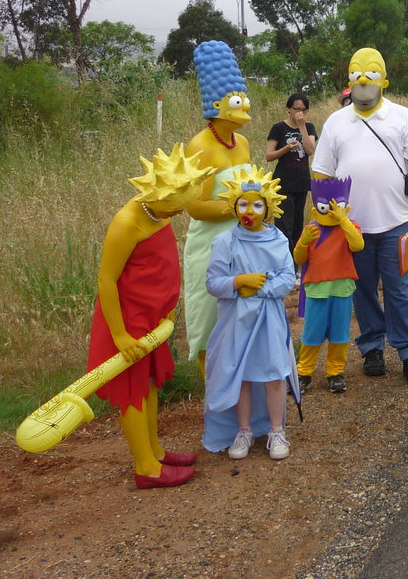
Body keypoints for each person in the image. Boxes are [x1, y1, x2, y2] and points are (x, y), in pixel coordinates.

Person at [87, 144, 213, 488]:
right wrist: (121, 336)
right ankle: (146, 468)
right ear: (161, 196)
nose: (181, 212)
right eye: (179, 205)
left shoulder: (160, 213)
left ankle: (155, 451)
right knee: (132, 392)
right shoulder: (126, 222)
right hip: (128, 322)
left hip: (153, 319)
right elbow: (107, 280)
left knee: (151, 386)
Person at [310, 47, 408, 385]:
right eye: (357, 75)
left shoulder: (403, 117)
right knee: (361, 289)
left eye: (370, 75)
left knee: (400, 289)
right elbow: (320, 173)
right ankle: (372, 348)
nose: (363, 81)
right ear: (349, 80)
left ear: (384, 82)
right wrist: (321, 217)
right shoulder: (336, 121)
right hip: (351, 227)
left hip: (396, 221)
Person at [203, 166, 299, 461]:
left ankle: (276, 429)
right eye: (243, 204)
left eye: (257, 204)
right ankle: (243, 429)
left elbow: (287, 278)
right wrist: (237, 282)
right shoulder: (224, 242)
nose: (250, 211)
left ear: (268, 207)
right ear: (234, 206)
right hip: (236, 321)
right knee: (240, 375)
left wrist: (260, 289)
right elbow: (212, 283)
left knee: (272, 374)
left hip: (268, 319)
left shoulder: (279, 240)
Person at [183, 41, 253, 375]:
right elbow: (194, 207)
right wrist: (236, 209)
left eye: (244, 99)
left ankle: (243, 379)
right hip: (210, 245)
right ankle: (211, 384)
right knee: (210, 313)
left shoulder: (243, 143)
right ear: (216, 105)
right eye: (236, 102)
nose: (245, 108)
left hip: (243, 238)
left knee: (244, 310)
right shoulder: (200, 146)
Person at [294, 176, 364, 394]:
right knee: (311, 335)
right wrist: (304, 241)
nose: (331, 211)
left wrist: (343, 220)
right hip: (317, 291)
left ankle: (335, 372)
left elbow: (358, 245)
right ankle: (304, 372)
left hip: (342, 290)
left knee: (340, 335)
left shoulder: (350, 227)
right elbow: (299, 258)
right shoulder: (311, 229)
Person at [265, 93, 318, 254]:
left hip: (301, 182)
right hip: (283, 183)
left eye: (303, 110)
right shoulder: (279, 128)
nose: (299, 113)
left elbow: (310, 150)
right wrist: (286, 148)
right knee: (283, 225)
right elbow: (269, 155)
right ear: (289, 109)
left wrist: (302, 125)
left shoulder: (309, 128)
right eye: (296, 109)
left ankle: (295, 263)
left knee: (297, 225)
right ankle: (284, 262)